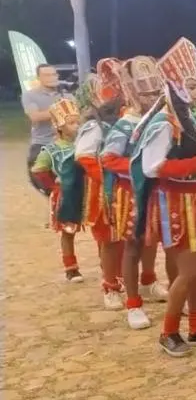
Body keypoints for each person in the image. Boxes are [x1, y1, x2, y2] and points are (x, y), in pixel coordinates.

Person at [132, 60, 196, 357]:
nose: (195, 92)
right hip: (173, 199)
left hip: (193, 194)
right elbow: (150, 167)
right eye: (188, 86)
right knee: (190, 269)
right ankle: (168, 332)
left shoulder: (186, 118)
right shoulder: (163, 123)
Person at [102, 60, 168, 329]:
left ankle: (149, 281)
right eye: (146, 94)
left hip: (157, 191)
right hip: (131, 193)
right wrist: (138, 169)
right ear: (132, 94)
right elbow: (108, 159)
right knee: (132, 246)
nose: (153, 99)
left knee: (152, 242)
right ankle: (133, 303)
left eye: (156, 93)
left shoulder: (163, 119)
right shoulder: (125, 125)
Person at [75, 60, 127, 310]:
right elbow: (84, 156)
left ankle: (125, 279)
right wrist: (110, 177)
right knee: (109, 240)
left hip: (125, 189)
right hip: (105, 192)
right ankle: (110, 285)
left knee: (126, 240)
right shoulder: (95, 126)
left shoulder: (125, 122)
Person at [30, 98, 87, 283]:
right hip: (66, 194)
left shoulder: (85, 143)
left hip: (88, 193)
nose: (76, 126)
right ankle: (71, 268)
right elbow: (38, 170)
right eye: (71, 123)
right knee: (68, 230)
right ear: (60, 126)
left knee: (98, 230)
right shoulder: (51, 150)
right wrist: (54, 188)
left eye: (78, 122)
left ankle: (106, 265)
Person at [23, 64, 63, 195]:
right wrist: (62, 109)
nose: (52, 77)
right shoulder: (30, 95)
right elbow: (35, 116)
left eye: (54, 74)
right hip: (42, 142)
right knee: (37, 174)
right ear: (38, 78)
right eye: (47, 75)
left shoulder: (65, 93)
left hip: (65, 142)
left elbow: (78, 115)